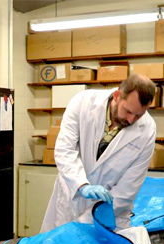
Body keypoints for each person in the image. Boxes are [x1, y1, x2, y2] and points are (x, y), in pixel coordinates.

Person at [41, 74, 156, 233]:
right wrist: (81, 185)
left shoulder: (147, 130)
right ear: (117, 95)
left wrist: (90, 219)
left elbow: (128, 188)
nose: (131, 120)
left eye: (138, 115)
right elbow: (64, 150)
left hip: (109, 214)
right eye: (128, 111)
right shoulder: (83, 102)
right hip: (70, 202)